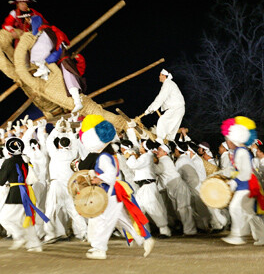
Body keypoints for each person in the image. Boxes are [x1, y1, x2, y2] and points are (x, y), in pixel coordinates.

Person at [79, 114, 155, 260]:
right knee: (124, 220)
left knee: (102, 220)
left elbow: (111, 173)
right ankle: (146, 239)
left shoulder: (103, 157)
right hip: (114, 191)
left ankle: (99, 249)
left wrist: (97, 179)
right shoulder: (107, 155)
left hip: (111, 193)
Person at [219, 116, 264, 246]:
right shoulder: (240, 150)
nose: (227, 141)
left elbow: (245, 171)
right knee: (249, 213)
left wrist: (234, 182)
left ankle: (238, 235)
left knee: (235, 207)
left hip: (245, 186)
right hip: (246, 185)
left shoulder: (241, 151)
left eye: (228, 139)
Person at [0, 137, 48, 252]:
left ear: (8, 151)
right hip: (27, 191)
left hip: (16, 193)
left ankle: (18, 236)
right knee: (25, 219)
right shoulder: (26, 160)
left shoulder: (9, 162)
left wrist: (0, 171)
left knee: (4, 218)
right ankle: (35, 244)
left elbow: (1, 181)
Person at [153, 143, 197, 236]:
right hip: (172, 186)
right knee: (178, 209)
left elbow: (157, 170)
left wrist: (149, 161)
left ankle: (190, 231)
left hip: (177, 185)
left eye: (159, 150)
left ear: (165, 152)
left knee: (183, 208)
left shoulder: (165, 160)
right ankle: (185, 229)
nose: (157, 151)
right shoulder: (163, 160)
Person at [143, 69, 185, 142]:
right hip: (179, 109)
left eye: (160, 75)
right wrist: (151, 109)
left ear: (164, 75)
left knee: (162, 122)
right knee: (171, 131)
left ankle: (159, 142)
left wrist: (149, 110)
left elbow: (160, 98)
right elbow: (161, 99)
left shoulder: (167, 84)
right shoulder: (169, 84)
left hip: (176, 109)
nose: (159, 76)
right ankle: (169, 143)